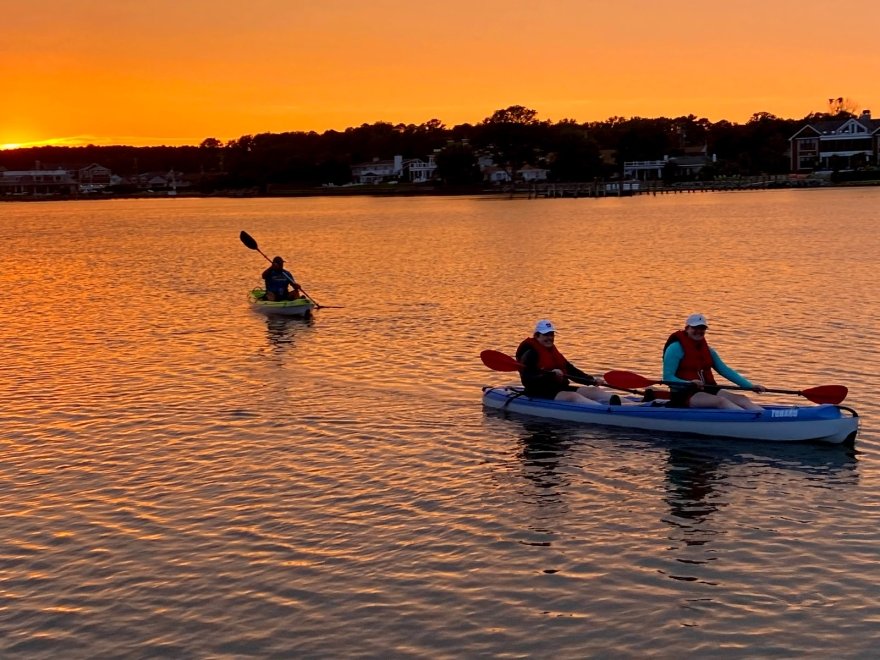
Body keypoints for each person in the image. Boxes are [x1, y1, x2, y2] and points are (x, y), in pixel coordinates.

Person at [663, 313, 766, 410]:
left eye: (702, 328)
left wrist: (750, 386)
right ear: (687, 329)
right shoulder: (675, 348)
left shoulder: (708, 350)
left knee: (742, 399)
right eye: (695, 328)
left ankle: (764, 416)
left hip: (707, 389)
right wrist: (688, 383)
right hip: (684, 393)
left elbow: (725, 370)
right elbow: (668, 378)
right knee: (721, 401)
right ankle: (748, 419)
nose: (699, 331)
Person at [515, 320, 620, 405]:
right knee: (573, 397)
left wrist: (591, 380)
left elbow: (570, 370)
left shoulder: (551, 350)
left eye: (551, 334)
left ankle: (627, 405)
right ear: (537, 336)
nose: (550, 338)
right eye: (546, 335)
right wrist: (550, 374)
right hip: (539, 391)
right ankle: (606, 411)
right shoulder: (530, 353)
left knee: (594, 391)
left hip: (558, 388)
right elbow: (528, 377)